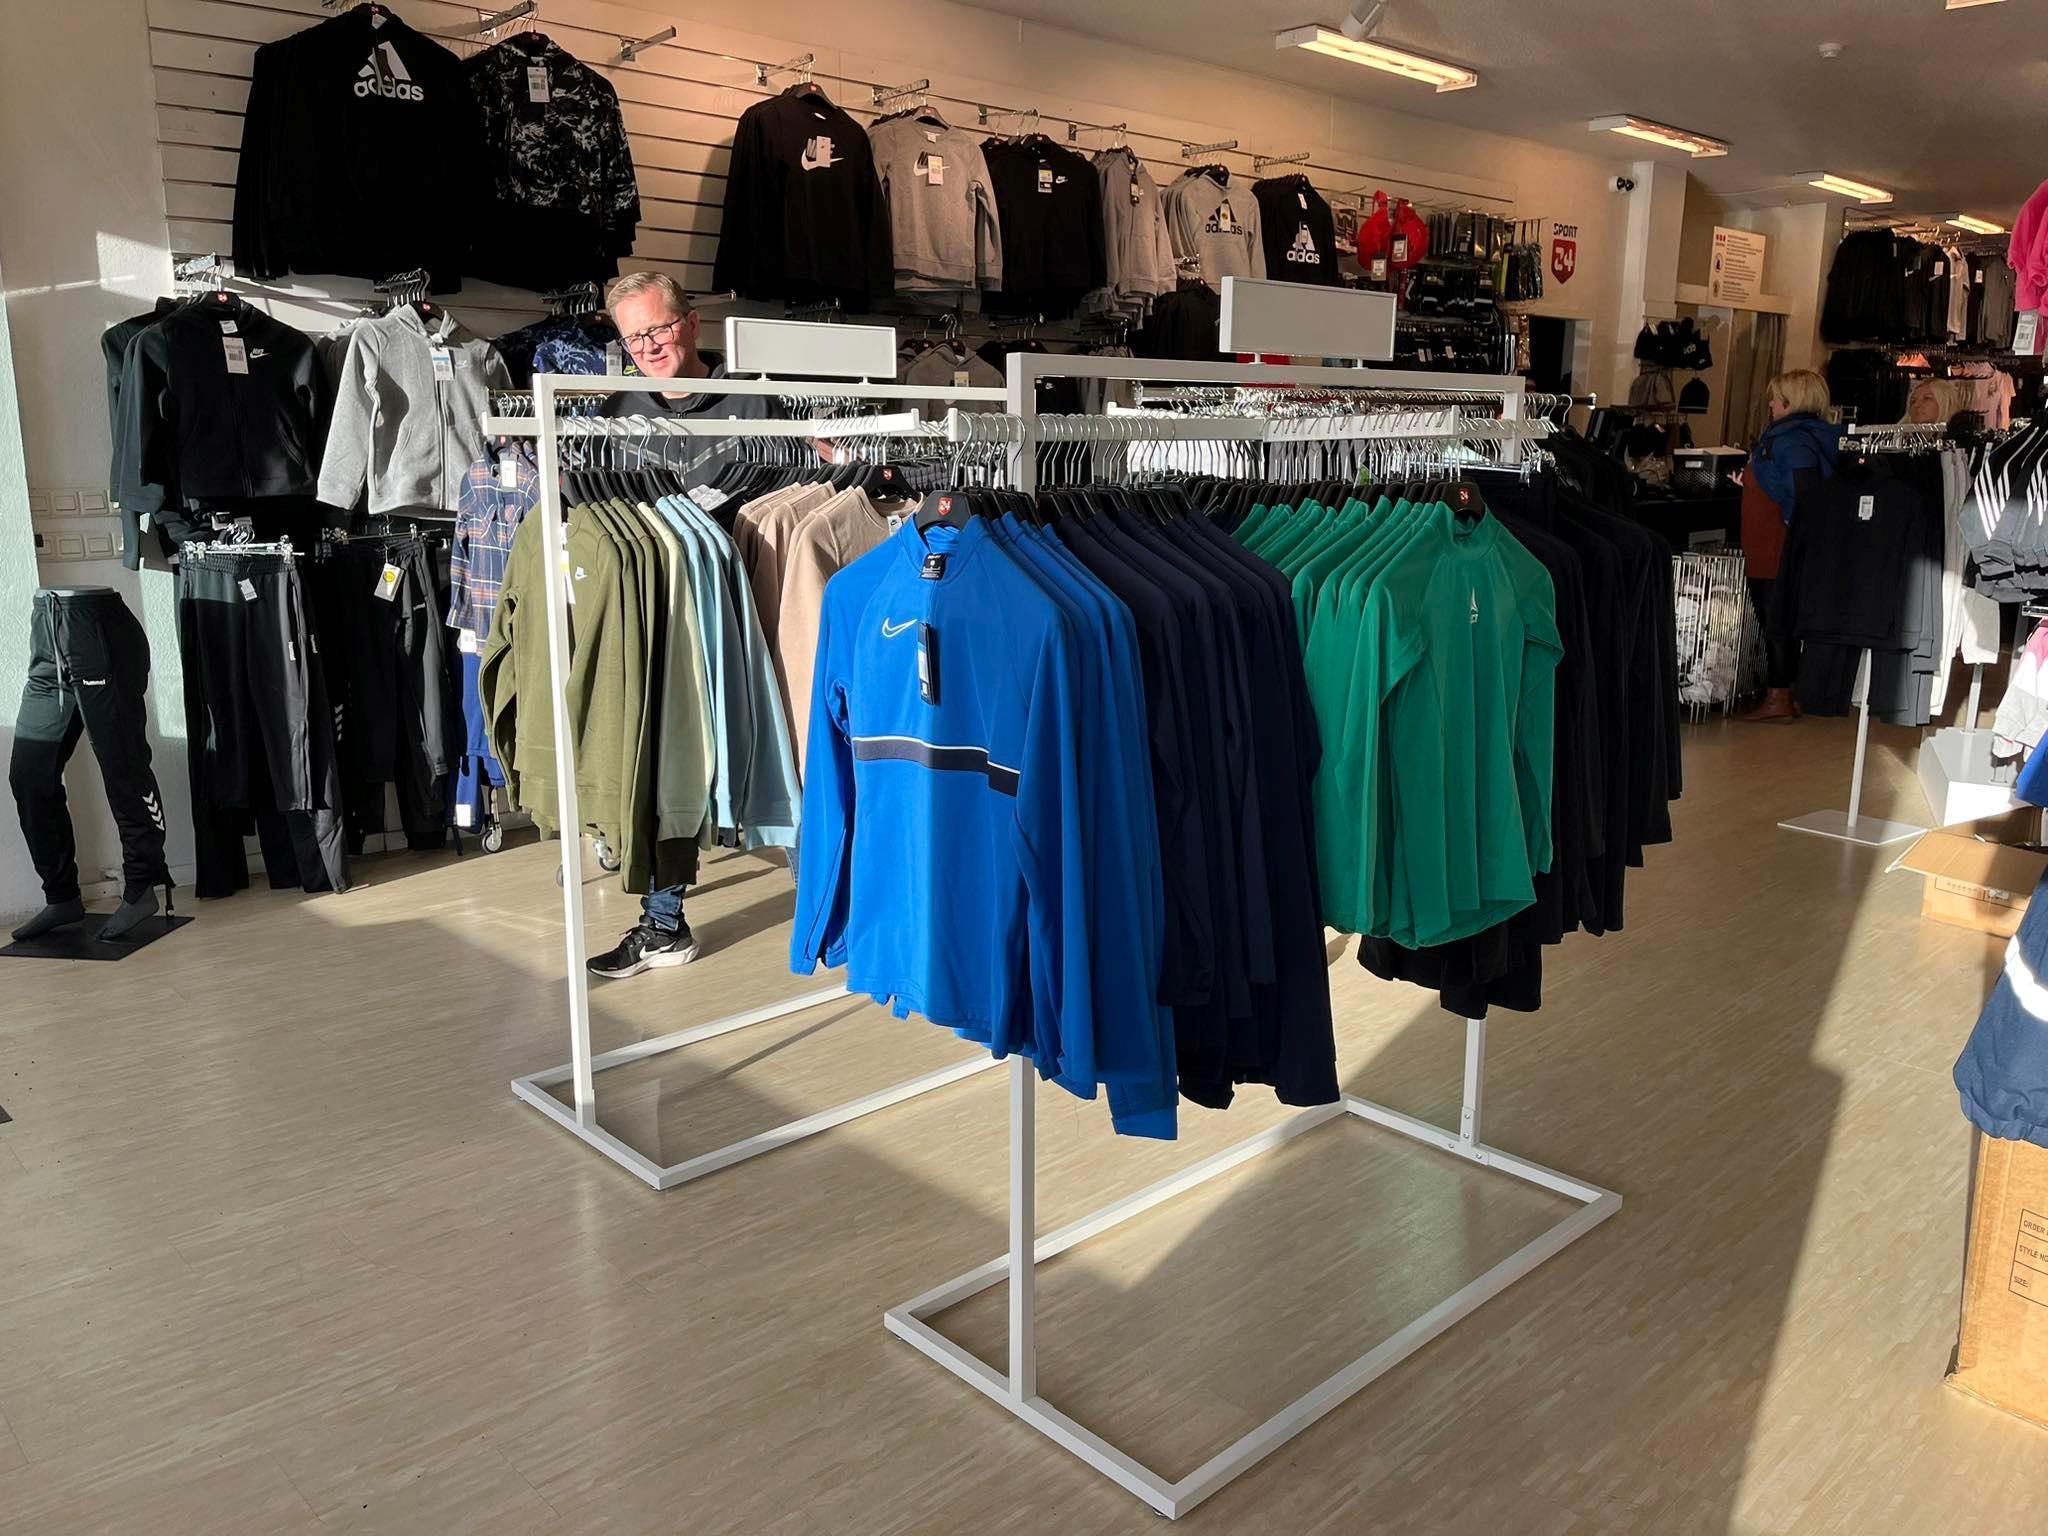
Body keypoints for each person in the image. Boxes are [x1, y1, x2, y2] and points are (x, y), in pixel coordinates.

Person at [586, 274, 772, 980]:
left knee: (788, 748)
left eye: (659, 328)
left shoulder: (753, 399)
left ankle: (833, 899)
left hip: (749, 607)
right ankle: (663, 924)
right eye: (633, 336)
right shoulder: (613, 410)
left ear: (692, 324)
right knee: (665, 761)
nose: (649, 347)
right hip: (659, 618)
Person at [1734, 368, 1843, 723]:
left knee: (1776, 622)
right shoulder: (1799, 437)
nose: (1770, 404)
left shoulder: (1790, 441)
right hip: (1776, 543)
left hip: (1775, 547)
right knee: (1780, 621)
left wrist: (1788, 526)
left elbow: (1801, 494)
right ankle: (1787, 692)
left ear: (1790, 401)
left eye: (1776, 398)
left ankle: (1778, 695)